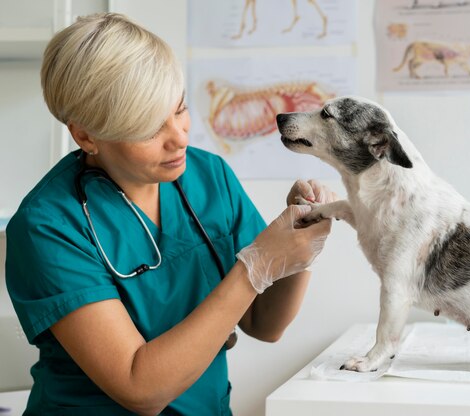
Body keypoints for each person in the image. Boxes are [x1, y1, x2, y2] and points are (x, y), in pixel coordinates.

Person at [5, 13, 334, 415]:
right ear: (86, 134)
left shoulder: (208, 176)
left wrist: (299, 242)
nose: (180, 137)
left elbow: (265, 325)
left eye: (179, 110)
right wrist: (255, 266)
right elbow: (139, 387)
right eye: (147, 129)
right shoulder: (48, 227)